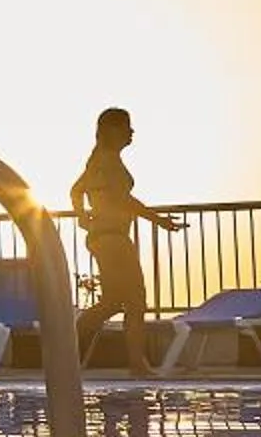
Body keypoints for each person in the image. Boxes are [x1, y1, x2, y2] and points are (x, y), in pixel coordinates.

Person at [70, 107, 184, 378]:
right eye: (127, 127)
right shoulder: (107, 160)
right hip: (114, 239)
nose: (132, 132)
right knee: (135, 300)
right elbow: (124, 200)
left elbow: (75, 191)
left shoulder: (96, 160)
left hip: (102, 237)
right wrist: (159, 221)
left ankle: (67, 345)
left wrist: (82, 215)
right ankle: (137, 364)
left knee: (111, 302)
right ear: (112, 130)